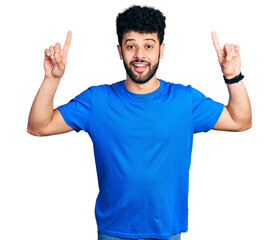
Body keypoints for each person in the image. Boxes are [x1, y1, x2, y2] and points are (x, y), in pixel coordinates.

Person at [27, 5, 252, 240]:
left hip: (166, 232)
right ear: (119, 50)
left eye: (148, 46)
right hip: (113, 233)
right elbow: (38, 126)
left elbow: (241, 120)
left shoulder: (184, 100)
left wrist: (232, 76)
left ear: (161, 50)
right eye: (131, 45)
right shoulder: (97, 101)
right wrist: (52, 79)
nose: (139, 55)